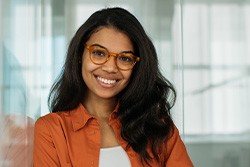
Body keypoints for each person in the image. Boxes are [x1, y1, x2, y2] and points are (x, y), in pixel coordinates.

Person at [33, 7, 193, 167]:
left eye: (125, 58)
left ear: (136, 66)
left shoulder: (159, 129)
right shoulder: (50, 130)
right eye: (99, 53)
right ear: (80, 55)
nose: (110, 68)